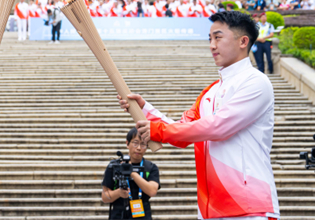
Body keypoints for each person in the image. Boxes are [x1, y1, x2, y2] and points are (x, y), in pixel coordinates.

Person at [119, 11, 280, 219]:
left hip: (250, 206)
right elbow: (181, 132)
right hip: (210, 208)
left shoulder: (256, 82)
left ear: (243, 41)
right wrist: (144, 109)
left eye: (218, 38)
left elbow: (217, 127)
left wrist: (159, 129)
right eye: (210, 39)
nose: (212, 45)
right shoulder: (210, 92)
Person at [101, 128, 160, 219]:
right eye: (135, 143)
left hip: (142, 213)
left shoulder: (150, 167)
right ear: (127, 144)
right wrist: (119, 193)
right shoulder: (114, 166)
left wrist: (131, 172)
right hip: (118, 214)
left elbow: (152, 191)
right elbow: (105, 197)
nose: (139, 148)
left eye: (143, 144)